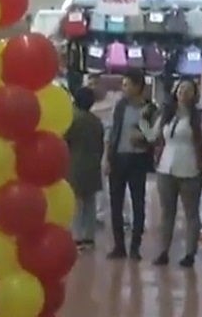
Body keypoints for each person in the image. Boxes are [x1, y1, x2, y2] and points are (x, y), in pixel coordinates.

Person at [141, 78, 202, 267]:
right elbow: (153, 136)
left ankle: (190, 253)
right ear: (175, 92)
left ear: (194, 94)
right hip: (166, 167)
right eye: (181, 89)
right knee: (167, 213)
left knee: (191, 213)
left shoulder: (198, 116)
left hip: (190, 168)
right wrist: (142, 122)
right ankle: (163, 251)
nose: (183, 92)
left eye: (188, 90)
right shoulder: (167, 114)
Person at [104, 70, 156, 260]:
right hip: (118, 158)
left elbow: (156, 136)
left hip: (138, 159)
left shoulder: (150, 109)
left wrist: (143, 138)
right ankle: (119, 246)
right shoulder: (120, 106)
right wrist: (106, 157)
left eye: (127, 84)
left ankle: (135, 246)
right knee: (115, 203)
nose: (123, 88)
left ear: (137, 86)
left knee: (138, 202)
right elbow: (111, 132)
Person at [64, 86, 104, 251]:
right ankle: (89, 237)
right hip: (93, 164)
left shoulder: (72, 120)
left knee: (77, 202)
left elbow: (65, 142)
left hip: (75, 164)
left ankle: (77, 237)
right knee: (90, 201)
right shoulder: (96, 121)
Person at [88, 74, 129, 226]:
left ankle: (125, 216)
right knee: (99, 184)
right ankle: (99, 215)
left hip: (116, 146)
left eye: (95, 84)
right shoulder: (88, 104)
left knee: (119, 184)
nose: (93, 87)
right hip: (95, 148)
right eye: (90, 84)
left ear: (103, 85)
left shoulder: (116, 99)